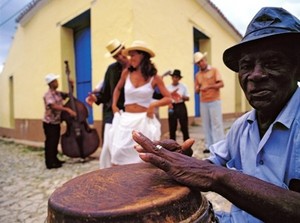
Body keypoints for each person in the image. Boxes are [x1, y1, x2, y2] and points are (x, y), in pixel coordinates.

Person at [132, 7, 300, 223]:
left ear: (297, 68)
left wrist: (215, 177)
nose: (256, 75)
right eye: (246, 66)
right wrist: (183, 161)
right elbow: (212, 165)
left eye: (273, 63)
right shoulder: (242, 127)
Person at [110, 40, 172, 167]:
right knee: (118, 153)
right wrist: (114, 105)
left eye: (133, 55)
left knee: (143, 157)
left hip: (144, 120)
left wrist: (153, 105)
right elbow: (117, 89)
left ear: (142, 55)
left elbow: (168, 98)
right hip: (126, 119)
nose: (130, 58)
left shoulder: (154, 77)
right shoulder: (126, 72)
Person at [85, 39, 129, 168]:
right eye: (116, 56)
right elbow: (105, 94)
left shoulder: (137, 67)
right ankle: (107, 175)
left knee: (127, 147)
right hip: (112, 112)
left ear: (125, 49)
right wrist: (95, 98)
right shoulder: (111, 69)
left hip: (131, 113)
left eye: (121, 53)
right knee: (108, 146)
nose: (120, 57)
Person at [43, 73, 76, 169]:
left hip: (57, 122)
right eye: (55, 81)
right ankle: (49, 162)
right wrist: (67, 110)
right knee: (50, 142)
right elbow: (53, 106)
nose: (57, 83)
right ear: (51, 83)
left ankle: (55, 159)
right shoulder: (48, 94)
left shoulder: (58, 93)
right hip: (49, 122)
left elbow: (69, 95)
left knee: (55, 141)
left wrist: (71, 85)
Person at [194, 51, 225, 153]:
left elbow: (221, 84)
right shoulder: (197, 75)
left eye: (201, 61)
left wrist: (209, 86)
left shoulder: (214, 70)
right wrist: (198, 88)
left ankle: (219, 146)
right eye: (198, 62)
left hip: (214, 100)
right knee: (206, 124)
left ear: (205, 60)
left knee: (216, 124)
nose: (200, 63)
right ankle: (209, 146)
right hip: (203, 101)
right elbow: (196, 90)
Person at [167, 69, 190, 141]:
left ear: (179, 78)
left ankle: (186, 144)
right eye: (174, 77)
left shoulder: (183, 86)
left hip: (181, 105)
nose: (175, 79)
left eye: (177, 77)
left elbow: (188, 98)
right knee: (172, 127)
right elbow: (165, 98)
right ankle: (172, 144)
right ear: (172, 77)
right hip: (172, 106)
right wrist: (172, 95)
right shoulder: (168, 87)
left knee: (184, 126)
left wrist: (180, 96)